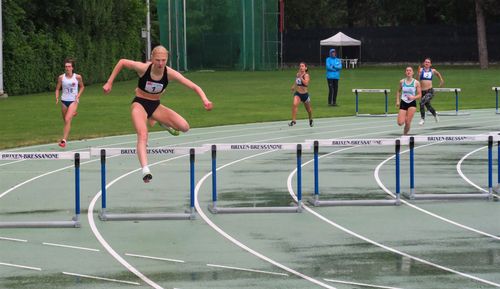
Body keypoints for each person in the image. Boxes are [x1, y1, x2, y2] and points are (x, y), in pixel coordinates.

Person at [103, 45, 213, 183]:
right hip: (140, 104)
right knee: (143, 134)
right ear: (152, 59)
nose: (160, 63)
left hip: (155, 106)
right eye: (157, 60)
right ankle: (145, 170)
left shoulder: (169, 73)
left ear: (167, 59)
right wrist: (109, 82)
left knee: (185, 127)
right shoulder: (144, 68)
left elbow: (194, 86)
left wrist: (205, 99)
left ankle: (161, 121)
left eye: (163, 60)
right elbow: (122, 62)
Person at [55, 58, 85, 148]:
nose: (67, 68)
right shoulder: (61, 77)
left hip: (73, 101)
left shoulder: (77, 77)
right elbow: (57, 88)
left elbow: (82, 87)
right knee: (66, 121)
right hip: (64, 101)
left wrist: (78, 96)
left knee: (68, 119)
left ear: (72, 68)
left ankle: (63, 141)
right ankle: (73, 113)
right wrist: (56, 97)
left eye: (69, 66)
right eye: (66, 66)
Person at [417, 57, 444, 125]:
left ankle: (422, 119)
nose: (427, 63)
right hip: (422, 92)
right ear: (424, 63)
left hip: (430, 91)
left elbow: (438, 74)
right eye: (426, 62)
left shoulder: (432, 71)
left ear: (430, 64)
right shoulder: (420, 70)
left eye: (428, 62)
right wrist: (418, 73)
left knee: (421, 103)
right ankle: (435, 114)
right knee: (428, 106)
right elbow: (416, 80)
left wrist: (441, 80)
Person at [396, 66, 421, 135]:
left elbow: (419, 95)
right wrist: (398, 101)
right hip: (403, 102)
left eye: (410, 70)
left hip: (412, 103)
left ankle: (405, 135)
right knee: (400, 123)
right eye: (407, 70)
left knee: (407, 121)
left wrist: (413, 97)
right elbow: (398, 91)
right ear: (405, 72)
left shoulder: (416, 82)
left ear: (412, 73)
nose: (408, 72)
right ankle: (404, 118)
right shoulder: (402, 81)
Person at [289, 62, 313, 127]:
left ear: (305, 68)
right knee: (294, 104)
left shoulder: (306, 75)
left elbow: (306, 84)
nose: (301, 67)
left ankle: (310, 119)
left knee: (309, 110)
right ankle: (294, 120)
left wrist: (301, 77)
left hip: (305, 95)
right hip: (298, 93)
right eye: (300, 66)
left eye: (302, 66)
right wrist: (293, 86)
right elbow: (297, 81)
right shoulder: (298, 74)